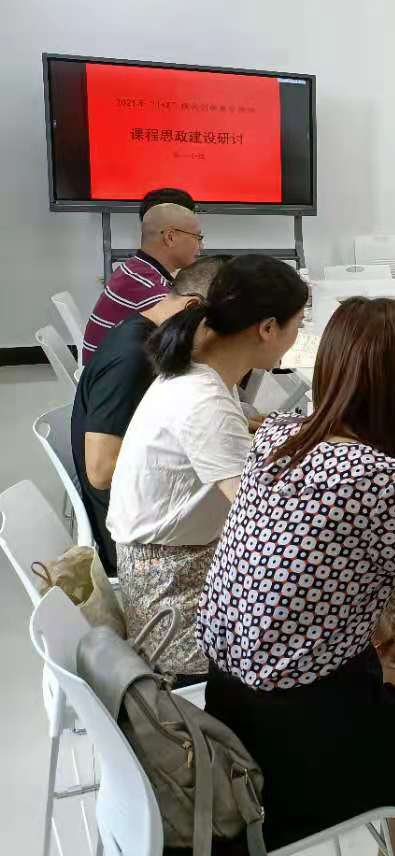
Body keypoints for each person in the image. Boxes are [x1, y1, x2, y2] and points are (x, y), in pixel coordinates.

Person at [198, 298, 395, 856]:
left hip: (234, 718)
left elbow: (312, 568)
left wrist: (385, 640)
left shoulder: (277, 438)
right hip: (301, 751)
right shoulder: (377, 477)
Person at [107, 254, 307, 681]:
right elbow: (266, 523)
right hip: (173, 603)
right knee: (345, 589)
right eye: (299, 324)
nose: (298, 337)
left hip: (176, 565)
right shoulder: (204, 401)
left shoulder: (199, 374)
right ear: (268, 329)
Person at [70, 256, 227, 574]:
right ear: (192, 308)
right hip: (134, 543)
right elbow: (100, 471)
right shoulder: (133, 358)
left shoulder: (149, 334)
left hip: (144, 517)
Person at [82, 195, 203, 363]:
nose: (201, 247)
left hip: (103, 368)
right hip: (113, 373)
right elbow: (193, 345)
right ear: (170, 237)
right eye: (197, 238)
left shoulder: (135, 268)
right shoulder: (150, 288)